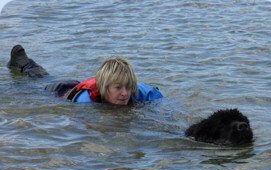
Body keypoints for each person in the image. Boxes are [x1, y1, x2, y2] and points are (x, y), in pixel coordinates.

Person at [7, 45, 163, 105]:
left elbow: (159, 98)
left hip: (79, 83)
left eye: (128, 87)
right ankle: (22, 62)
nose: (125, 93)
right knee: (36, 79)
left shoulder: (135, 91)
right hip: (58, 89)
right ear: (104, 88)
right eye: (118, 88)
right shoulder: (85, 101)